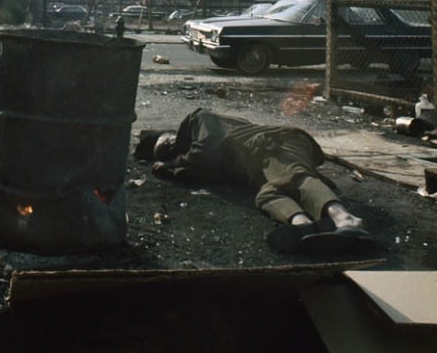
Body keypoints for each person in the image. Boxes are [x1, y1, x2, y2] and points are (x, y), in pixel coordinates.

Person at [136, 108, 376, 256]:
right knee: (267, 195)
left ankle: (347, 220)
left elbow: (207, 148)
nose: (170, 149)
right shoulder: (194, 158)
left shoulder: (199, 118)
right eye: (165, 152)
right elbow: (201, 170)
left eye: (167, 142)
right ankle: (303, 226)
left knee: (294, 178)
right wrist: (173, 169)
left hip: (273, 142)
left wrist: (170, 163)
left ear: (172, 132)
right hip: (259, 163)